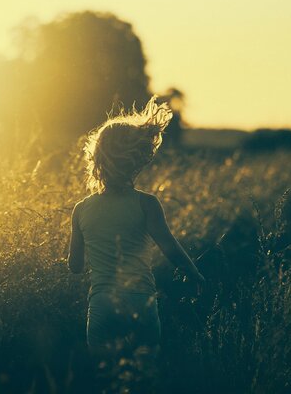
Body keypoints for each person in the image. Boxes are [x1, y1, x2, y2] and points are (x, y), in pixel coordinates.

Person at [66, 96, 205, 391]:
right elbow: (169, 247)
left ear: (96, 159)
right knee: (144, 379)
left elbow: (75, 267)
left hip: (102, 304)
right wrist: (195, 274)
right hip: (140, 302)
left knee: (105, 381)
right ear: (137, 159)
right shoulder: (147, 204)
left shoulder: (81, 209)